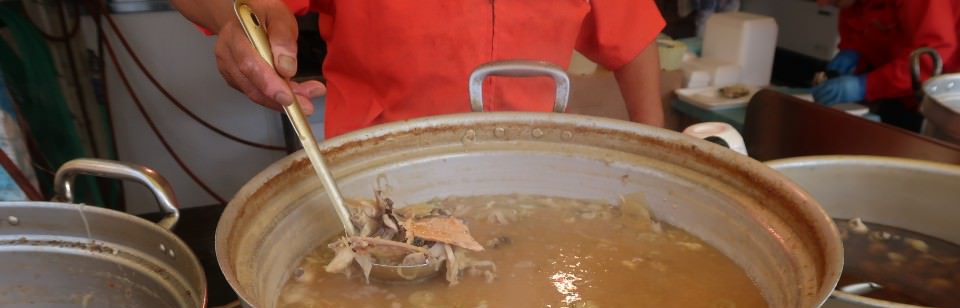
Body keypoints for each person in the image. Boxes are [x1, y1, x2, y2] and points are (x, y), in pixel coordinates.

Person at [171, 0, 667, 139]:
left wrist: (658, 153)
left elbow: (633, 34)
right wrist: (236, 16)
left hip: (531, 166)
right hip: (379, 172)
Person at [812, 0, 960, 131]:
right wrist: (854, 53)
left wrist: (866, 86)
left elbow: (930, 56)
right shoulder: (852, 3)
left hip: (946, 101)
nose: (822, 4)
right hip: (900, 93)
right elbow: (864, 33)